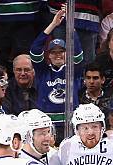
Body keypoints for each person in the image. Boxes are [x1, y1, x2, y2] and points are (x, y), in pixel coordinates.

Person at [30, 6, 84, 143]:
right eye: (53, 52)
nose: (58, 54)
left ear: (67, 53)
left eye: (61, 51)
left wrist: (70, 24)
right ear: (48, 55)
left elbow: (78, 54)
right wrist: (53, 24)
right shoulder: (43, 72)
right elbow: (35, 51)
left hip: (70, 125)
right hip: (48, 127)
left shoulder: (73, 70)